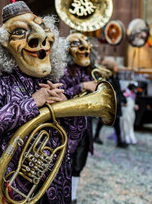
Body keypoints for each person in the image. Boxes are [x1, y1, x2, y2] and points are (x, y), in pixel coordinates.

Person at [0, 0, 87, 204]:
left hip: (52, 187)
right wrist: (32, 103)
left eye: (42, 29)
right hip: (7, 186)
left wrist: (69, 109)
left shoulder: (53, 80)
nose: (38, 38)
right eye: (20, 32)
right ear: (3, 43)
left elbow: (72, 139)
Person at [59, 32, 98, 204]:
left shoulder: (89, 70)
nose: (83, 49)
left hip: (84, 126)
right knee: (65, 164)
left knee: (78, 164)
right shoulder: (63, 71)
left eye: (86, 45)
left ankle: (73, 196)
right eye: (77, 45)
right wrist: (82, 86)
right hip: (66, 126)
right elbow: (60, 95)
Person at [94, 59, 128, 148]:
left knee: (113, 122)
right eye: (116, 66)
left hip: (116, 102)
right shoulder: (109, 78)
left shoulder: (114, 77)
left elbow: (118, 90)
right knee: (106, 120)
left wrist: (123, 100)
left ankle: (118, 140)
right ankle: (118, 141)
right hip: (112, 103)